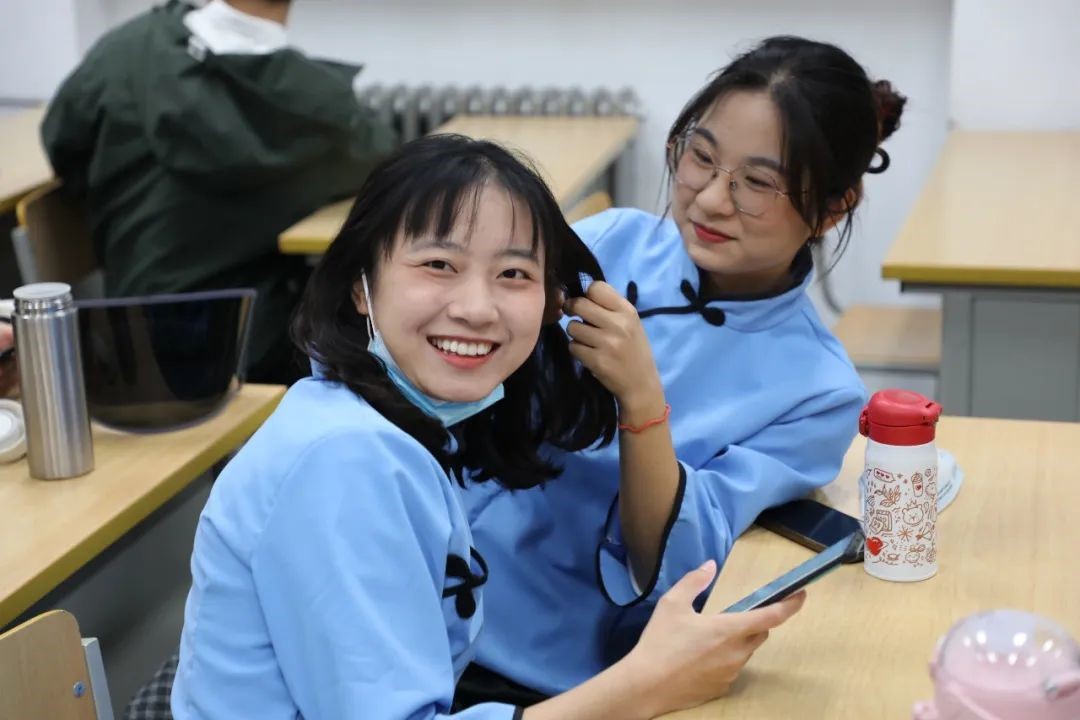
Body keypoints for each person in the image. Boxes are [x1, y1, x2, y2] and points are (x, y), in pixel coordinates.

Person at [171, 134, 806, 720]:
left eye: (513, 275)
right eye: (438, 265)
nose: (477, 309)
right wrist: (645, 684)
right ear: (361, 287)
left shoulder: (398, 429)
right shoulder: (346, 460)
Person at [458, 35, 906, 704]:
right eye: (700, 157)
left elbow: (676, 568)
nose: (711, 200)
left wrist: (642, 400)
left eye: (758, 183)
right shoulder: (610, 241)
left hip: (553, 660)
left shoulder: (818, 391)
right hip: (425, 573)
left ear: (833, 208)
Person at [41, 0, 396, 384]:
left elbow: (62, 145)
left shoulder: (123, 53)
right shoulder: (316, 107)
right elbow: (379, 164)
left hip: (128, 338)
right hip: (246, 345)